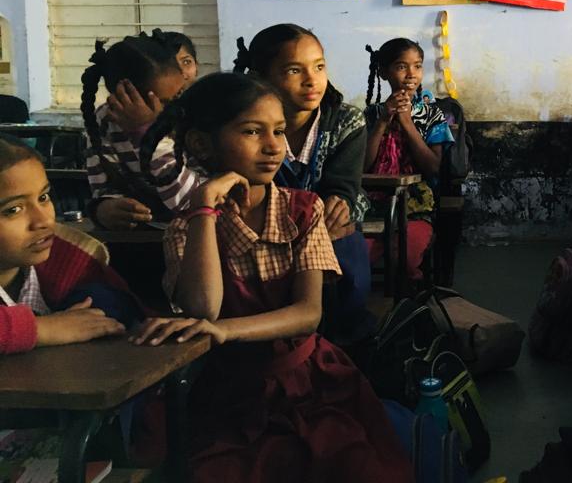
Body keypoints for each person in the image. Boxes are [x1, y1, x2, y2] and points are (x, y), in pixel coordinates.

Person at [135, 72, 412, 483]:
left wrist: (223, 330)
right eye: (251, 131)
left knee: (352, 466)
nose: (273, 147)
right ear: (200, 144)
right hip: (229, 392)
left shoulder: (302, 210)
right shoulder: (187, 227)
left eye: (279, 131)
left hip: (311, 383)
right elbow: (201, 307)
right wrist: (204, 209)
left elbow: (307, 314)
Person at [234, 24, 373, 340]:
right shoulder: (243, 125)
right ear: (260, 76)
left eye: (319, 66)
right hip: (260, 228)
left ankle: (338, 346)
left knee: (347, 277)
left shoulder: (345, 121)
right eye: (294, 70)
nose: (312, 80)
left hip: (326, 227)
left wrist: (341, 202)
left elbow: (343, 186)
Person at [0, 133, 135, 354]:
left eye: (43, 197)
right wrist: (41, 329)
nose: (43, 220)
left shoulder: (71, 261)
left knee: (104, 300)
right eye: (13, 210)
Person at [81, 34, 196, 227]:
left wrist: (147, 133)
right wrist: (105, 208)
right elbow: (104, 186)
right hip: (143, 235)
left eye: (178, 93)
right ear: (124, 96)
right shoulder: (106, 120)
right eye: (163, 101)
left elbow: (191, 200)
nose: (173, 106)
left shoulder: (197, 113)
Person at [364, 38, 453, 279]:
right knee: (358, 258)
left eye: (417, 66)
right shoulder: (372, 114)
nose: (411, 74)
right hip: (370, 206)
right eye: (401, 66)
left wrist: (406, 122)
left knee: (405, 258)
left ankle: (408, 308)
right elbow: (363, 166)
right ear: (383, 72)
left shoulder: (432, 114)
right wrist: (383, 121)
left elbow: (432, 167)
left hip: (415, 206)